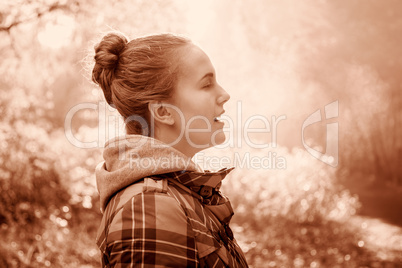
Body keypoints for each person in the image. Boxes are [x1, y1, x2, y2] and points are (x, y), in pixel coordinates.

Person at [92, 31, 248, 267]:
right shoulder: (149, 211)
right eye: (206, 84)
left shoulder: (172, 196)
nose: (224, 95)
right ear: (163, 111)